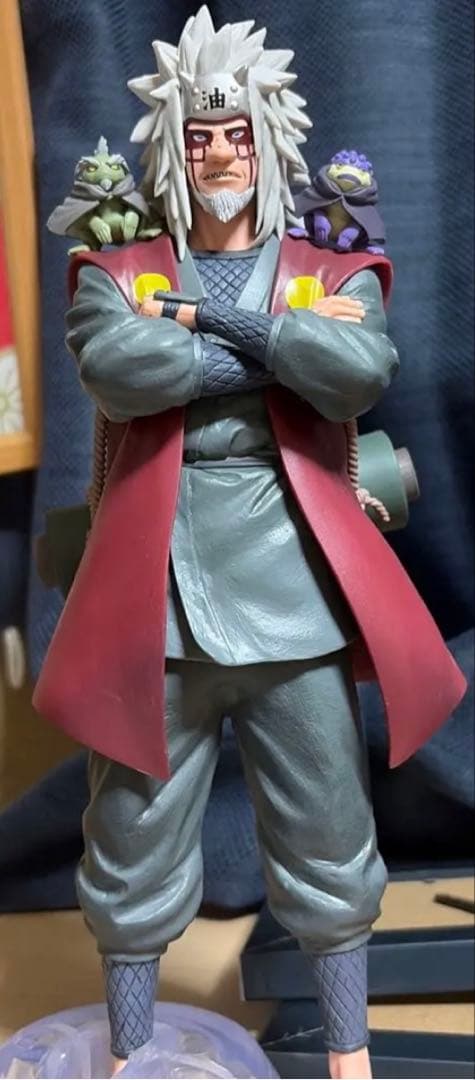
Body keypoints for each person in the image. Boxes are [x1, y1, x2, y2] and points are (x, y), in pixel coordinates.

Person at [33, 8, 465, 1078]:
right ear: (171, 146)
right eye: (199, 135)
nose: (219, 154)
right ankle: (131, 1053)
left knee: (328, 840)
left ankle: (348, 1056)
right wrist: (279, 354)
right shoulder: (117, 270)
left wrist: (211, 325)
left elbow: (355, 373)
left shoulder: (328, 269)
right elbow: (121, 370)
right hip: (156, 601)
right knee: (130, 842)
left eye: (236, 134)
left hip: (294, 593)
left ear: (270, 142)